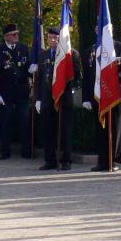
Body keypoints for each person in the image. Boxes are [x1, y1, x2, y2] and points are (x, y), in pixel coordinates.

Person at [82, 29, 121, 171]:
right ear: (96, 31)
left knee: (116, 129)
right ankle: (102, 161)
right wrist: (86, 98)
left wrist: (115, 78)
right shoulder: (90, 50)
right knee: (100, 129)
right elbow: (87, 76)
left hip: (115, 95)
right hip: (98, 95)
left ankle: (115, 161)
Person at [35, 26, 79, 170]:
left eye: (56, 38)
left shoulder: (71, 54)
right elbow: (39, 79)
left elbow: (77, 76)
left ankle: (66, 160)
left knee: (65, 131)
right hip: (47, 99)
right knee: (48, 131)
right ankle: (50, 160)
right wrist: (38, 99)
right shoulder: (43, 55)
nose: (53, 40)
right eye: (50, 37)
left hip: (64, 98)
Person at [0, 24, 31, 161]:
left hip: (22, 91)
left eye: (17, 33)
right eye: (13, 34)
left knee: (24, 121)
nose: (16, 36)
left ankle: (26, 150)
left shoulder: (23, 48)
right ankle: (5, 151)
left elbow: (28, 68)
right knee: (6, 122)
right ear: (6, 36)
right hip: (6, 92)